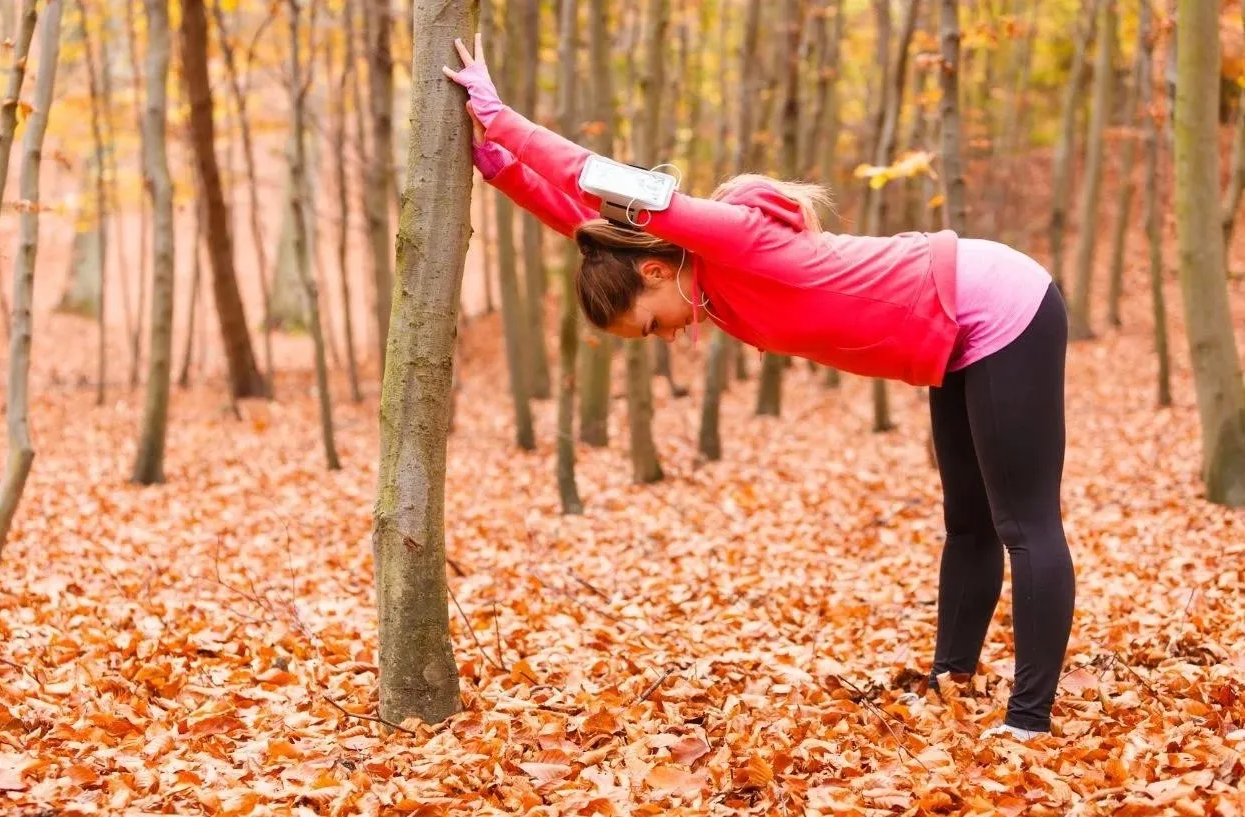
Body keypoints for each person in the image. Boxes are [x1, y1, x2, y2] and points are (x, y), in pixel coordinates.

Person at [445, 35, 1074, 741]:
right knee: (969, 521)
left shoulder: (736, 241)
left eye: (653, 328)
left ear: (657, 276)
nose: (671, 338)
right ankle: (950, 681)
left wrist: (503, 121)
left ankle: (1029, 719)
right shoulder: (698, 282)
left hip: (998, 303)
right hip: (949, 337)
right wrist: (503, 172)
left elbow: (602, 177)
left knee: (1023, 524)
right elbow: (588, 225)